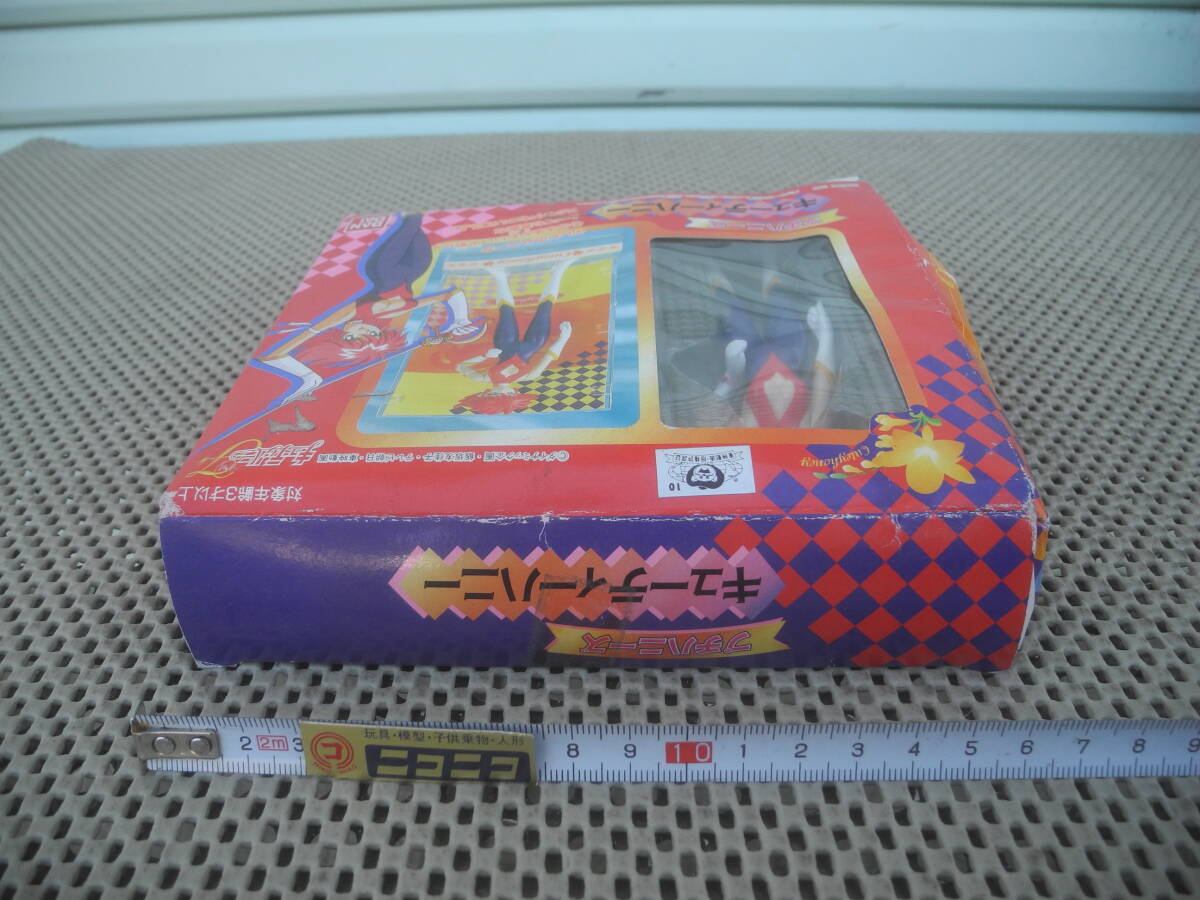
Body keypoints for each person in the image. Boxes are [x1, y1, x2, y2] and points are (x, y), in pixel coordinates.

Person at [256, 214, 483, 404]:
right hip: (414, 269)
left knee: (412, 221)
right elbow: (451, 294)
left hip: (384, 268)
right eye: (373, 336)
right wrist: (460, 320)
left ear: (346, 330)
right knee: (416, 223)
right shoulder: (396, 310)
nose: (367, 332)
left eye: (354, 338)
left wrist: (307, 376)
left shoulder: (350, 314)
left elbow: (276, 353)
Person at [455, 259, 574, 414]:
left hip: (504, 344)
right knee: (545, 309)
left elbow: (460, 366)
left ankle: (500, 277)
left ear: (484, 394)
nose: (502, 391)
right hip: (534, 344)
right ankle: (558, 271)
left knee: (506, 311)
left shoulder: (484, 378)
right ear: (515, 393)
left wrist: (484, 356)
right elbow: (549, 356)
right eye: (508, 395)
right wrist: (564, 338)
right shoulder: (528, 377)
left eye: (495, 395)